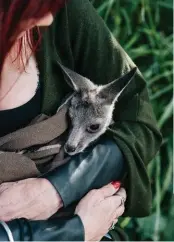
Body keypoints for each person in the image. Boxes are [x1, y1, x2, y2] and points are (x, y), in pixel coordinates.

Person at [0, 0, 162, 241]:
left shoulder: (62, 11)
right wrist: (76, 232)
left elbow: (139, 122)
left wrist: (57, 189)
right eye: (35, 7)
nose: (48, 19)